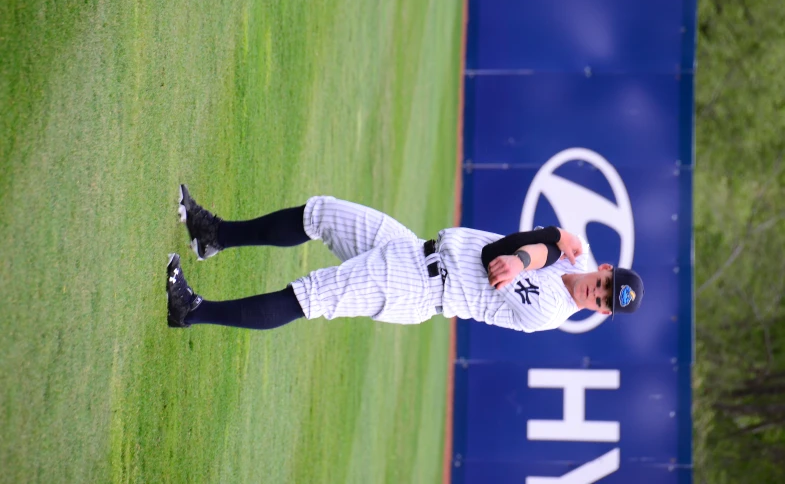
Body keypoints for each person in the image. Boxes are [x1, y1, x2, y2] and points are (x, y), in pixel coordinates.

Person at [166, 185, 644, 332]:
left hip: (418, 288)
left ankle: (192, 311)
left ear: (601, 312)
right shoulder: (571, 263)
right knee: (321, 214)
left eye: (604, 302)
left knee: (309, 296)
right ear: (604, 271)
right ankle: (213, 236)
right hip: (416, 249)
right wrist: (556, 241)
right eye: (605, 284)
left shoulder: (547, 311)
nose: (597, 293)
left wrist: (549, 241)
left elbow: (498, 255)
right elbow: (544, 245)